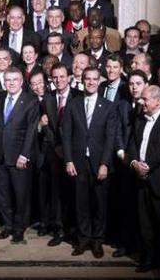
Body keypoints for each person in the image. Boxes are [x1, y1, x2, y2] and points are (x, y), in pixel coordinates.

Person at [61, 66, 117, 258]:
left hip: (99, 163)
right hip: (78, 163)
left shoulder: (108, 106)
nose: (91, 82)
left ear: (99, 82)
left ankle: (97, 241)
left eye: (95, 79)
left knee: (99, 205)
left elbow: (110, 138)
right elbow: (66, 136)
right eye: (88, 79)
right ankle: (83, 240)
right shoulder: (73, 104)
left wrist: (105, 163)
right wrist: (68, 160)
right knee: (81, 203)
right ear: (83, 81)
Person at [126, 85, 160, 272]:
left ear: (158, 100)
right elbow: (131, 144)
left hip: (158, 180)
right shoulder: (140, 118)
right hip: (140, 179)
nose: (141, 102)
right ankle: (147, 258)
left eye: (145, 99)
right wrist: (134, 163)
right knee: (144, 222)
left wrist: (148, 166)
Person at [0, 67, 39, 243]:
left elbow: (31, 130)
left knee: (21, 195)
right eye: (8, 80)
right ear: (4, 82)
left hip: (19, 157)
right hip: (1, 155)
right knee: (3, 195)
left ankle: (19, 228)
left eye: (15, 80)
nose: (11, 83)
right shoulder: (0, 98)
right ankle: (8, 225)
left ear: (21, 81)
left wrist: (24, 155)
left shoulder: (30, 100)